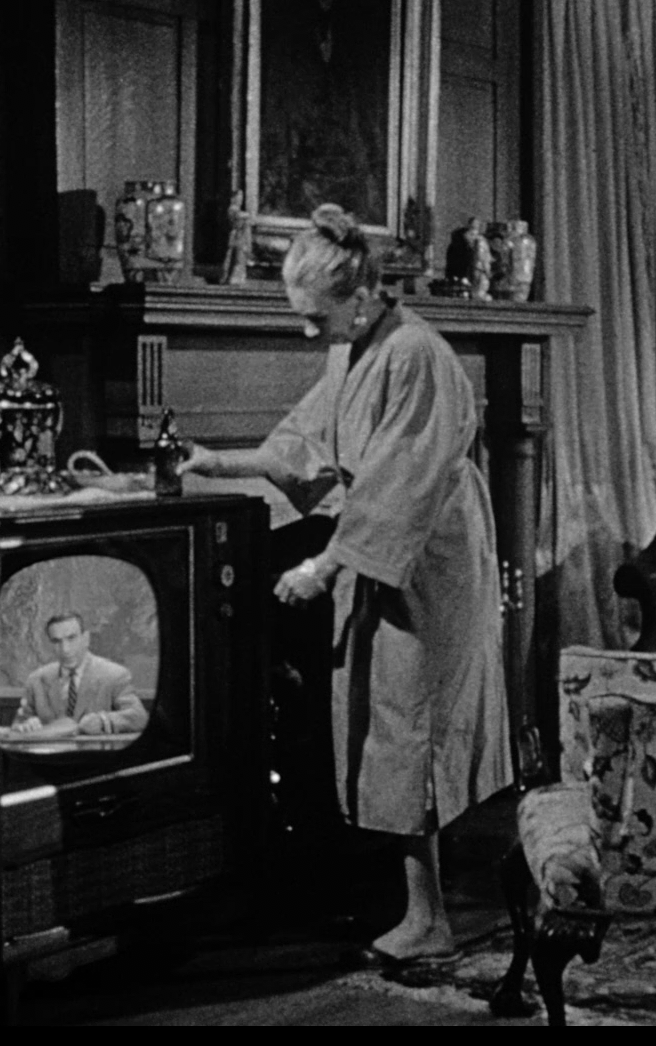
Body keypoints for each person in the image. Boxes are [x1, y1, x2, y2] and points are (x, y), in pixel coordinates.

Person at [180, 204, 511, 964]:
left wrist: (322, 566)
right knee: (390, 721)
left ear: (360, 297)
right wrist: (218, 462)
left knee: (413, 724)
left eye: (315, 317)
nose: (308, 332)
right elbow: (305, 442)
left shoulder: (415, 354)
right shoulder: (355, 346)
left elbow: (400, 484)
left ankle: (430, 918)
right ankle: (414, 901)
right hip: (386, 554)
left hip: (427, 559)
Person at [10, 613, 148, 736]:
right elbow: (17, 724)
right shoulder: (36, 680)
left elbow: (139, 718)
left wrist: (103, 721)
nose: (65, 649)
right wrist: (25, 725)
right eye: (57, 641)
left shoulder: (115, 675)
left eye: (71, 638)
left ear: (86, 638)